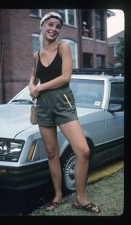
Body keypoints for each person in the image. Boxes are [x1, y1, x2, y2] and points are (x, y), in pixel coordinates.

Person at [29, 12, 100, 213]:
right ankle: (58, 196)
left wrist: (39, 88)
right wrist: (31, 86)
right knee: (52, 152)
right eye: (50, 24)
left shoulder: (64, 48)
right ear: (42, 27)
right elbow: (33, 77)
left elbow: (65, 77)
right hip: (43, 106)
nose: (54, 28)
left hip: (63, 102)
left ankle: (80, 198)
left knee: (83, 150)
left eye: (58, 26)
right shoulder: (36, 56)